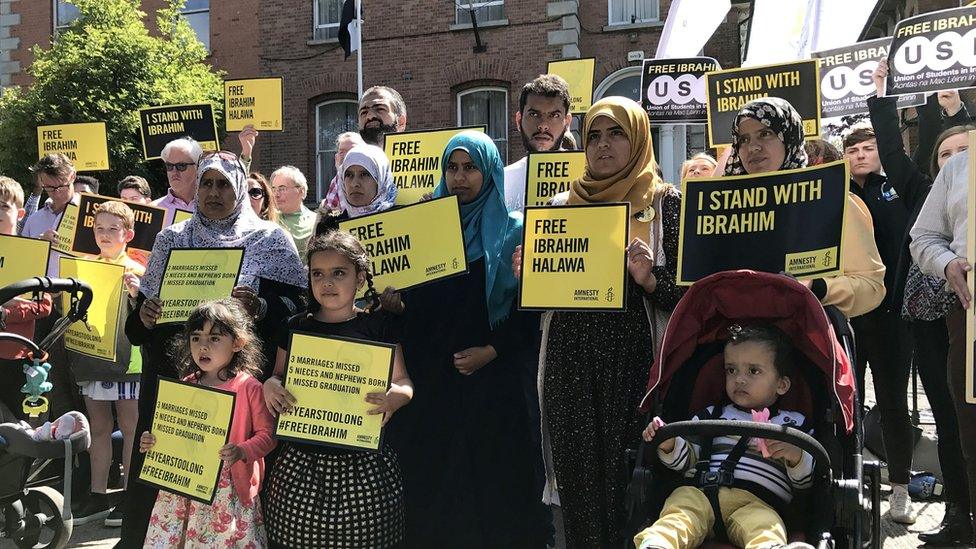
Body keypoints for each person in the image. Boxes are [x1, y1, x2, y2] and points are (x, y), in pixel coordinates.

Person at [513, 96, 685, 548]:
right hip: (569, 367)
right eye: (594, 136)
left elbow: (691, 297)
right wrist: (526, 275)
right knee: (579, 486)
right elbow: (540, 299)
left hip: (634, 367)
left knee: (631, 482)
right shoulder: (560, 205)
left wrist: (652, 280)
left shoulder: (666, 205)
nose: (603, 145)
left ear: (639, 139)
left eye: (616, 134)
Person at [115, 152, 307, 547]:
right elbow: (137, 332)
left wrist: (261, 305)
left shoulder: (269, 239)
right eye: (207, 183)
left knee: (232, 483)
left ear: (239, 189)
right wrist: (145, 316)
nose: (214, 192)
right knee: (168, 496)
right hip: (175, 387)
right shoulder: (172, 239)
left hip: (240, 389)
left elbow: (298, 312)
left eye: (224, 184)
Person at [396, 130, 545, 547]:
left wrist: (491, 351)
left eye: (471, 168)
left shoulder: (516, 230)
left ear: (490, 171)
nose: (460, 177)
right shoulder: (426, 228)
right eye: (452, 168)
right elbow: (420, 308)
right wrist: (397, 304)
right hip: (436, 379)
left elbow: (530, 309)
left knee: (496, 484)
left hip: (494, 381)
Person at [261, 231, 414, 547]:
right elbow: (276, 375)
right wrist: (269, 387)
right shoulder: (295, 326)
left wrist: (395, 398)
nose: (327, 282)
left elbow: (404, 382)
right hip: (301, 465)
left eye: (338, 273)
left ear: (360, 278)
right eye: (318, 274)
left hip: (364, 468)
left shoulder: (378, 326)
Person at [635, 324, 813, 549]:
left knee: (764, 526)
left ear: (782, 384)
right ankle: (658, 543)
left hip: (758, 501)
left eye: (753, 371)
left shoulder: (793, 424)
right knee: (679, 514)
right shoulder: (711, 415)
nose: (739, 379)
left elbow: (807, 481)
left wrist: (795, 455)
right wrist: (670, 445)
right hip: (698, 492)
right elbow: (685, 461)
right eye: (731, 370)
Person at [725, 97, 886, 319]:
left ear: (789, 136)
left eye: (765, 133)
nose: (752, 147)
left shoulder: (832, 201)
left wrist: (814, 287)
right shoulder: (723, 209)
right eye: (743, 139)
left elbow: (871, 287)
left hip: (804, 340)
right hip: (734, 343)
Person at [140, 299, 275, 548]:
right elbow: (172, 429)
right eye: (196, 338)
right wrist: (153, 441)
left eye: (214, 338)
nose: (203, 346)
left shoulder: (250, 388)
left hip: (229, 489)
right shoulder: (187, 383)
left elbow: (268, 435)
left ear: (238, 343)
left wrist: (243, 450)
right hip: (183, 488)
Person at [910, 150, 976, 544]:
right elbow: (925, 237)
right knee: (971, 432)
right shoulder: (960, 166)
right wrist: (949, 263)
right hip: (970, 319)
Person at [69, 201, 144, 528]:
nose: (105, 235)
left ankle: (129, 496)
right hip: (93, 359)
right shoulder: (85, 266)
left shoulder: (137, 270)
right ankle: (98, 494)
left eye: (113, 229)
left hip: (128, 361)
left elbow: (148, 311)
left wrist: (136, 292)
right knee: (98, 427)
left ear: (127, 234)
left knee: (130, 429)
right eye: (99, 228)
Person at [0, 176, 53, 422]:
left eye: (4, 206)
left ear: (20, 213)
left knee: (19, 426)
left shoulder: (31, 251)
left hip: (15, 355)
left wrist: (8, 313)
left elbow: (44, 304)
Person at [503, 74, 574, 212]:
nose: (543, 125)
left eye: (554, 115)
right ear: (518, 120)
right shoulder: (502, 180)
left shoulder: (585, 180)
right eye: (534, 115)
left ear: (567, 122)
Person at [22, 153, 80, 278]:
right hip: (40, 292)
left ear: (73, 176)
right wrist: (40, 244)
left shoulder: (90, 215)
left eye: (62, 186)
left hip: (78, 293)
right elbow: (21, 260)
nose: (57, 193)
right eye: (49, 187)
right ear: (41, 182)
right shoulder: (34, 220)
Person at [153, 137, 202, 226]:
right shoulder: (154, 209)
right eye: (169, 166)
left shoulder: (215, 207)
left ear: (198, 167)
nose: (174, 172)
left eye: (181, 166)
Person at [271, 165, 316, 261]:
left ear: (301, 191)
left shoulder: (316, 221)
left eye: (282, 189)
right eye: (273, 189)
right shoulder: (268, 218)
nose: (276, 194)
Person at [322, 131, 366, 210]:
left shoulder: (374, 178)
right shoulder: (336, 181)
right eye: (341, 152)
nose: (346, 156)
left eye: (351, 150)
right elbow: (329, 212)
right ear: (336, 158)